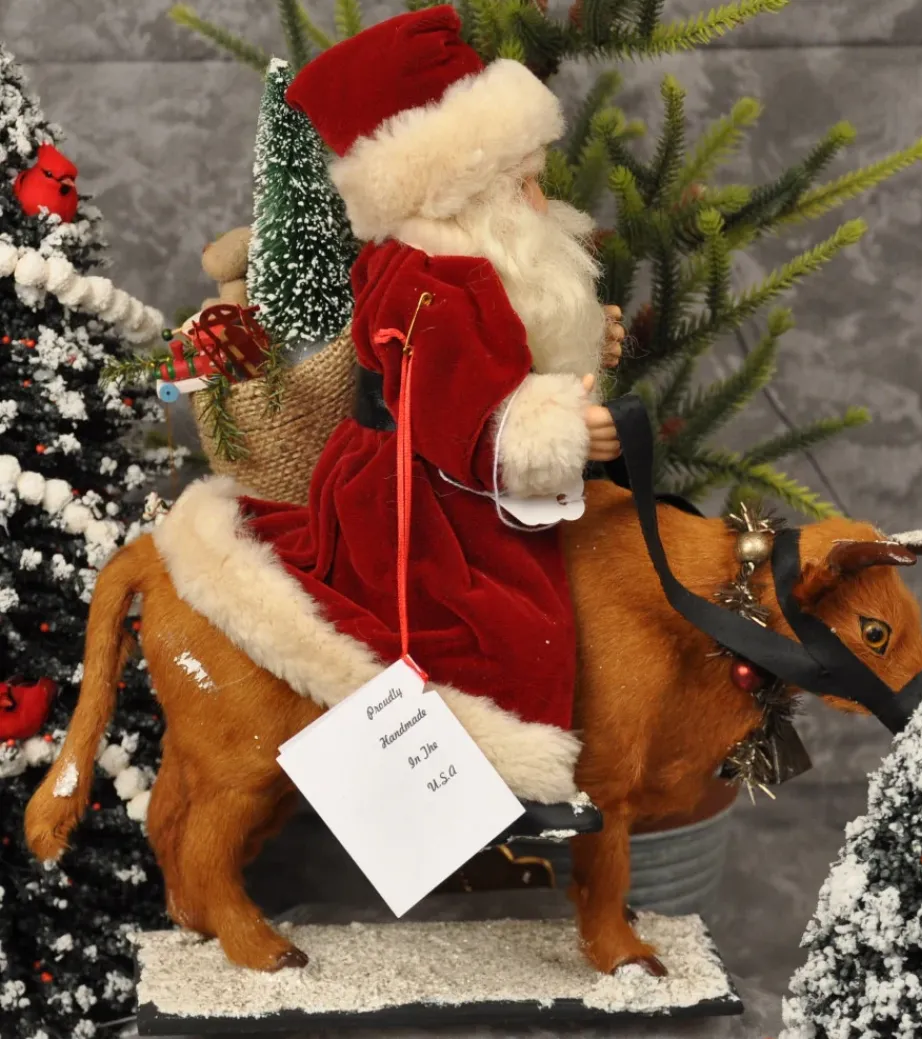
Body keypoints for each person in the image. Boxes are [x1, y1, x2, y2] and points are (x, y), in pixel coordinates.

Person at [189, 6, 627, 833]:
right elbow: (457, 410)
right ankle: (505, 782)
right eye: (524, 183)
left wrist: (577, 355)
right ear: (459, 189)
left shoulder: (475, 261)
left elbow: (514, 352)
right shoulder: (428, 283)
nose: (543, 202)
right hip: (419, 490)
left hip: (463, 475)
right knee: (500, 621)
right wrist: (565, 427)